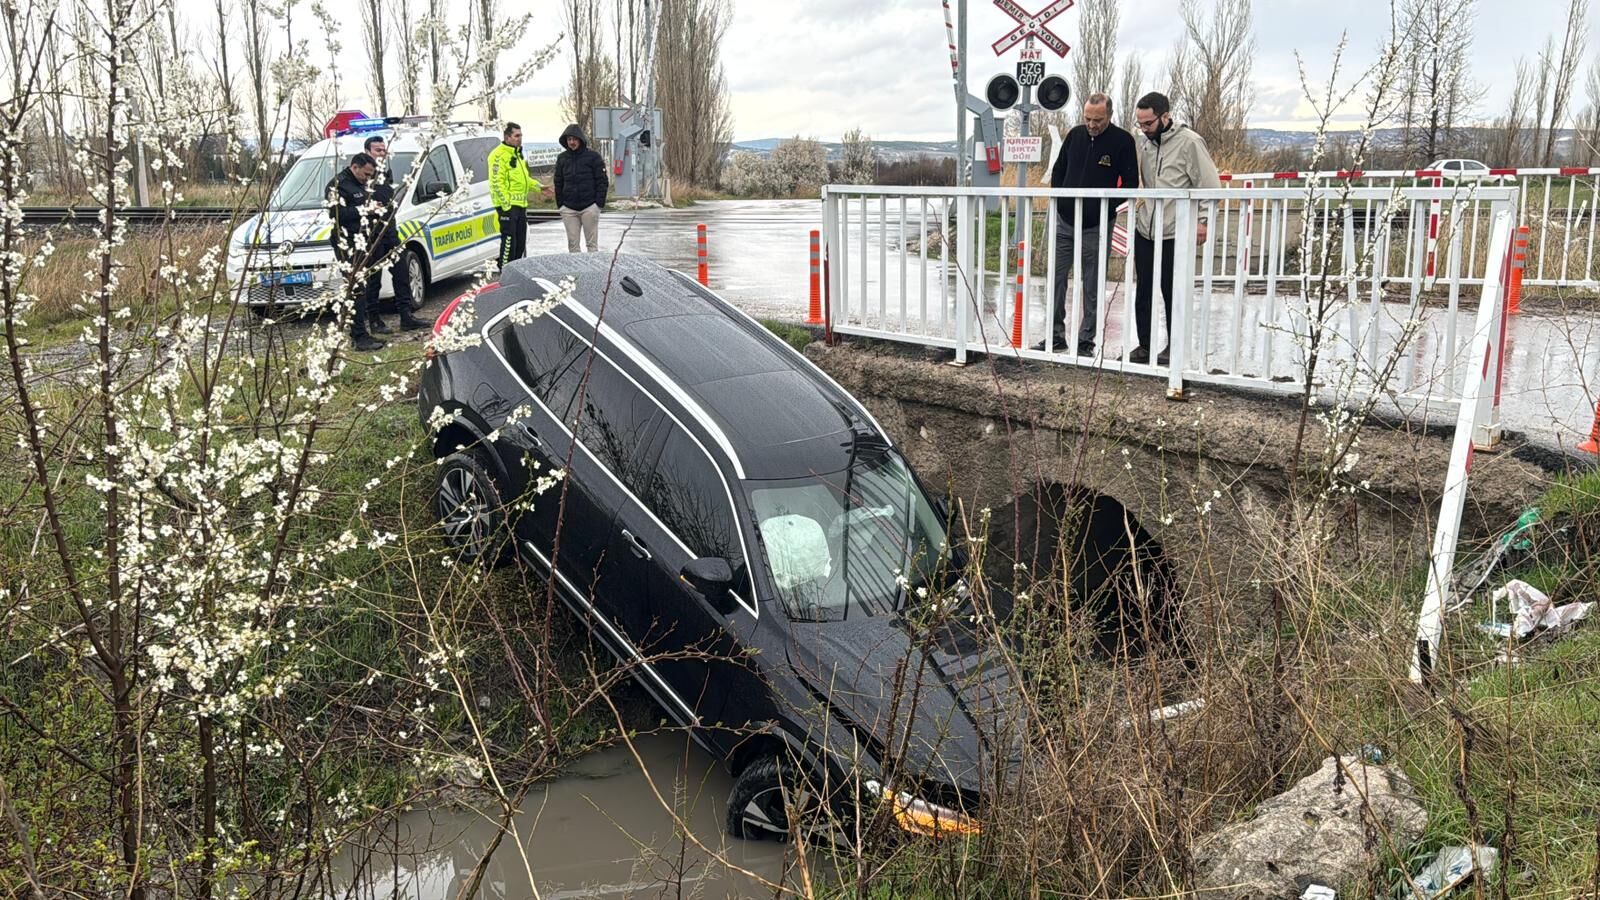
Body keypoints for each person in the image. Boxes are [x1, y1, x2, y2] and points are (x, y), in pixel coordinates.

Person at [1037, 93, 1138, 356]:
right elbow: (1059, 170)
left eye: (1098, 120)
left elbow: (1130, 183)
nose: (1092, 124)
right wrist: (1061, 203)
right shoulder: (1075, 135)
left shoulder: (1122, 141)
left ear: (1109, 116)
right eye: (1088, 119)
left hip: (1097, 224)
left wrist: (1106, 208)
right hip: (1066, 222)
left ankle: (1086, 341)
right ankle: (1055, 336)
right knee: (1057, 279)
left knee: (1092, 284)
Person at [1130, 91, 1220, 366]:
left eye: (1148, 123)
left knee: (1172, 290)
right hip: (1147, 227)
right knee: (1144, 289)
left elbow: (1209, 185)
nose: (1144, 129)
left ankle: (1174, 347)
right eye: (1140, 124)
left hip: (1175, 231)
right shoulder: (1144, 145)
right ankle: (1145, 345)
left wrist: (1202, 222)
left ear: (1165, 116)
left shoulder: (1190, 143)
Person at [362, 134, 429, 333]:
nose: (382, 154)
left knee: (401, 273)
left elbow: (388, 198)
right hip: (372, 236)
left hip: (390, 231)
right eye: (378, 150)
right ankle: (374, 321)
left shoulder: (384, 173)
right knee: (373, 280)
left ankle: (406, 316)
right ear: (367, 152)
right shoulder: (363, 176)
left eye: (384, 150)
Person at [327, 152, 385, 352]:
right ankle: (358, 337)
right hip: (345, 243)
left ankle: (363, 332)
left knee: (363, 287)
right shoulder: (338, 186)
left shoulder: (360, 183)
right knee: (355, 289)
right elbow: (336, 215)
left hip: (361, 242)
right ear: (355, 167)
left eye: (371, 175)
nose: (368, 179)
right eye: (366, 174)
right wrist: (364, 209)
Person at [487, 122, 547, 268]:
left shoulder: (518, 154)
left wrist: (540, 187)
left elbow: (524, 179)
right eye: (516, 136)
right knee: (509, 242)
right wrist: (506, 206)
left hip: (521, 206)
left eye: (521, 135)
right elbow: (496, 183)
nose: (520, 139)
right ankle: (505, 271)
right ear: (507, 137)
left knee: (520, 243)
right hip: (508, 207)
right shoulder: (498, 155)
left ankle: (515, 272)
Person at [553, 124, 608, 253]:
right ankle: (576, 274)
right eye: (569, 139)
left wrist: (598, 205)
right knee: (573, 246)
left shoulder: (593, 157)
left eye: (574, 139)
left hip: (590, 207)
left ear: (580, 140)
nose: (572, 142)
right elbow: (558, 181)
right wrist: (561, 205)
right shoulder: (562, 158)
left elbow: (602, 181)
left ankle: (594, 273)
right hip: (569, 209)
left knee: (592, 246)